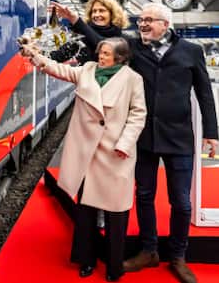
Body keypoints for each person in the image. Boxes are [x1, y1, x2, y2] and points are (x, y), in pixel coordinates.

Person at [21, 37, 145, 281]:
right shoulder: (87, 70)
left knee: (116, 214)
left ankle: (114, 266)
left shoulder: (133, 79)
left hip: (115, 152)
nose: (101, 57)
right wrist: (35, 56)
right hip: (87, 153)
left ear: (120, 58)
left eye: (106, 54)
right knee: (86, 211)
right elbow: (60, 69)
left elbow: (138, 115)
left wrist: (125, 143)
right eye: (101, 52)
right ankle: (86, 260)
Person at [50, 0, 129, 63]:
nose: (96, 15)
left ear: (112, 14)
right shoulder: (83, 36)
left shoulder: (122, 39)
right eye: (94, 11)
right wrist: (43, 56)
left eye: (101, 11)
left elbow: (103, 45)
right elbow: (59, 55)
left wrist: (76, 20)